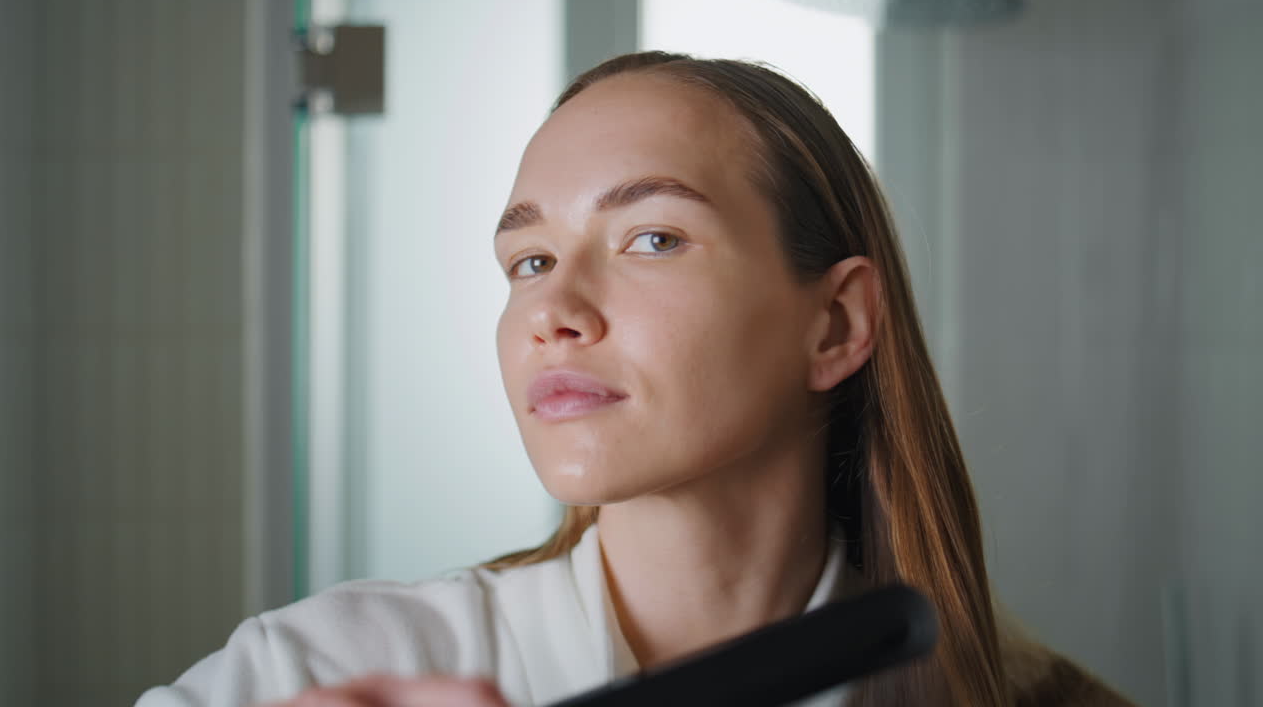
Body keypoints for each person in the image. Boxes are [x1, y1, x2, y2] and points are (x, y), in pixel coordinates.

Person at [136, 51, 1135, 707]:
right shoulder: (317, 671)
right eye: (527, 261)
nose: (550, 308)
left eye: (650, 238)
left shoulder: (1031, 700)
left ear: (833, 324)